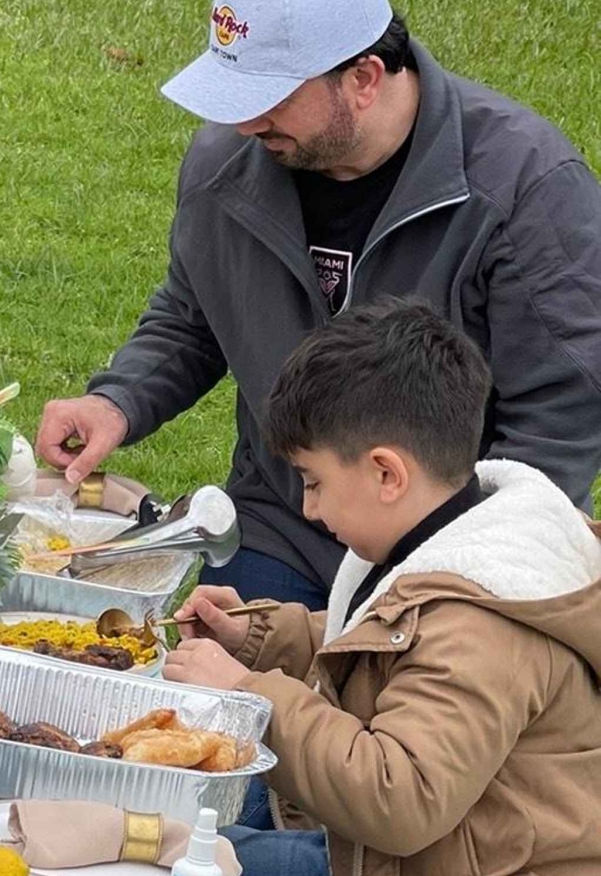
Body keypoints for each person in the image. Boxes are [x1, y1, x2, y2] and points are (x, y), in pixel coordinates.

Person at [36, 1, 601, 610]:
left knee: (411, 706)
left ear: (362, 78)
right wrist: (116, 402)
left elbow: (562, 411)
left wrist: (472, 557)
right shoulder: (222, 162)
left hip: (456, 545)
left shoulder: (526, 185)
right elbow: (192, 318)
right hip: (285, 522)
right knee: (226, 690)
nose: (246, 122)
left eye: (270, 96)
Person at [162, 299, 601, 876]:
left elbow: (399, 796)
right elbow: (382, 640)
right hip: (423, 873)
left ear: (386, 472)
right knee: (185, 810)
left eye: (313, 481)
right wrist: (252, 636)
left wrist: (252, 694)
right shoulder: (455, 527)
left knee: (170, 874)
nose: (308, 507)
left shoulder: (479, 626)